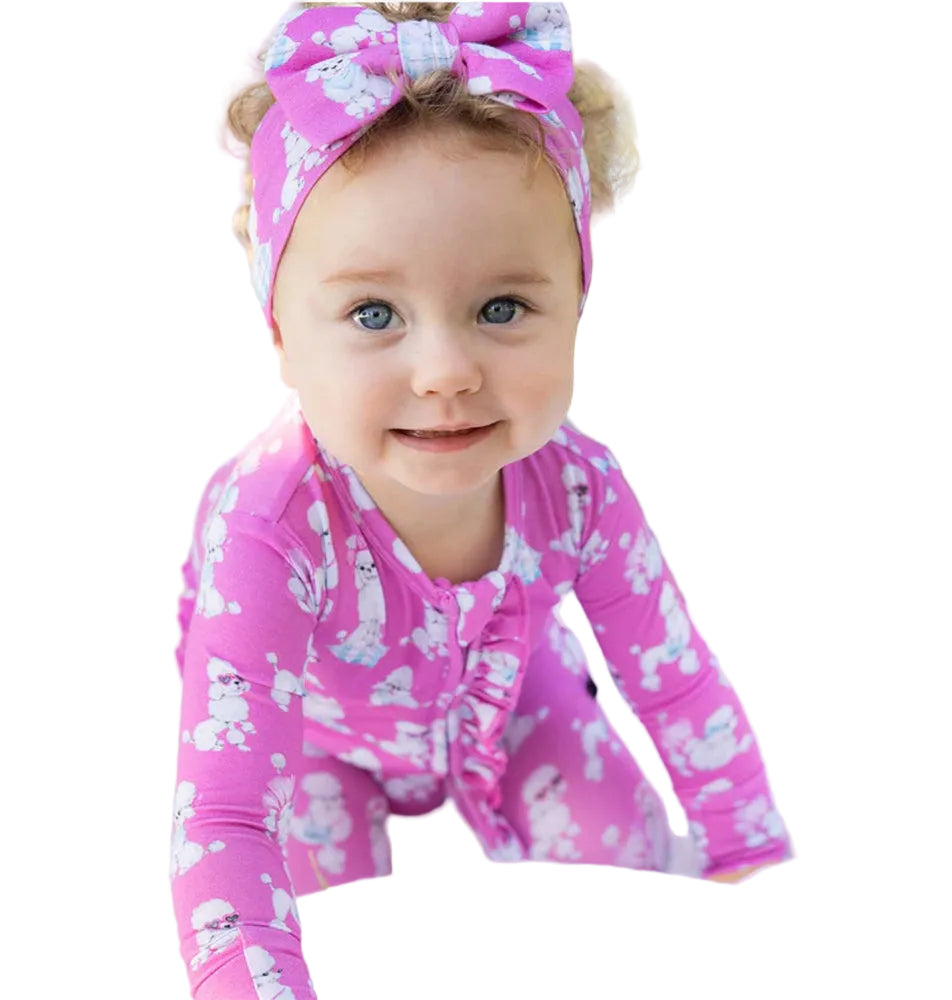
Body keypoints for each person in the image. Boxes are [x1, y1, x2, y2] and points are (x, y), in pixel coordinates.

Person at [169, 4, 795, 997]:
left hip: (509, 701)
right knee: (319, 920)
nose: (445, 370)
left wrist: (750, 867)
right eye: (373, 313)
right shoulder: (268, 532)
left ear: (575, 304)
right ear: (281, 334)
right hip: (316, 740)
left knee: (620, 847)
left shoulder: (579, 485)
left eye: (503, 307)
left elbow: (674, 681)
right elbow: (227, 817)